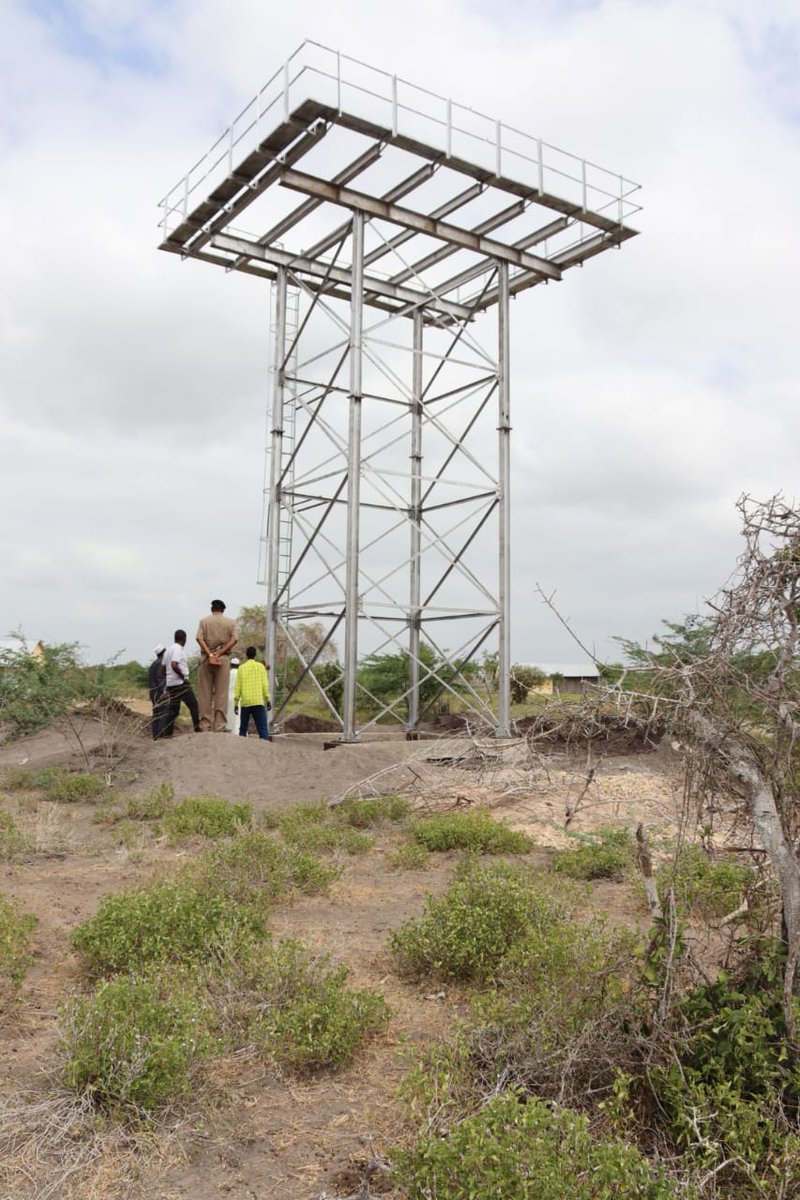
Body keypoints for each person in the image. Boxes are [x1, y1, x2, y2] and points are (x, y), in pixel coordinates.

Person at [196, 599, 237, 732]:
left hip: (206, 659)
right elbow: (234, 639)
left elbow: (199, 638)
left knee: (205, 694)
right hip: (223, 659)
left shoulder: (204, 621)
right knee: (221, 694)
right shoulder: (230, 622)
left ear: (212, 609)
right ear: (223, 610)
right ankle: (219, 726)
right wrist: (219, 653)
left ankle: (205, 726)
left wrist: (209, 653)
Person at [160, 630, 201, 737]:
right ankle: (197, 729)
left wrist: (169, 678)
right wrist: (182, 676)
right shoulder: (178, 649)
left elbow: (163, 669)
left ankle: (167, 733)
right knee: (193, 704)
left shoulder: (168, 650)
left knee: (173, 710)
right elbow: (174, 665)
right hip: (180, 683)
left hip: (171, 684)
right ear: (184, 639)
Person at [234, 646, 271, 740]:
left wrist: (236, 703)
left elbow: (238, 687)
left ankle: (241, 748)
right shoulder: (261, 667)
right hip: (258, 701)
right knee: (262, 728)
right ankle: (265, 747)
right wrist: (268, 699)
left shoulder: (241, 668)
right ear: (255, 655)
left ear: (246, 655)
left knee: (243, 728)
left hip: (245, 702)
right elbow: (265, 685)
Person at [148, 644, 167, 740]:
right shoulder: (160, 664)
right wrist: (164, 691)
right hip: (159, 693)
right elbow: (161, 680)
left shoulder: (152, 665)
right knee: (163, 713)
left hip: (152, 692)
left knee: (156, 714)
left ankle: (155, 735)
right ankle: (160, 735)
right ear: (163, 652)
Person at [226, 657, 240, 733]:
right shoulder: (240, 674)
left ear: (231, 665)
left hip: (228, 696)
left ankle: (229, 730)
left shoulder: (228, 673)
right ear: (239, 665)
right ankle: (237, 732)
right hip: (238, 697)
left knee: (229, 714)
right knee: (237, 716)